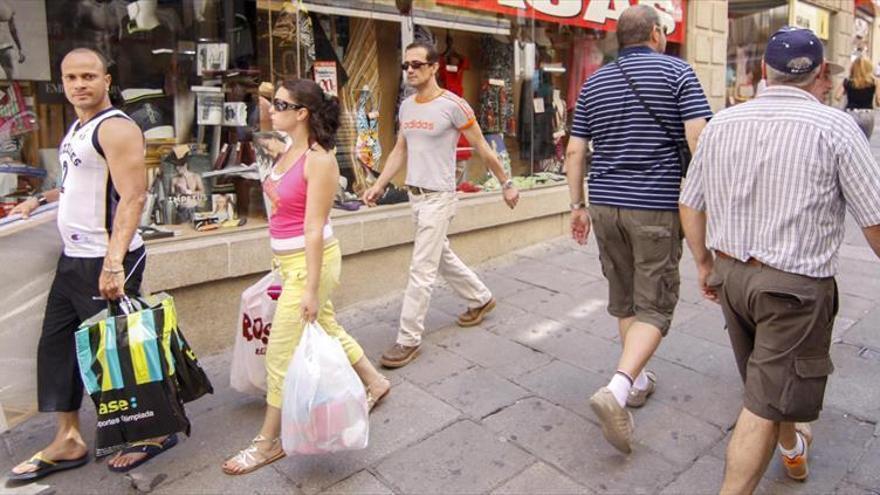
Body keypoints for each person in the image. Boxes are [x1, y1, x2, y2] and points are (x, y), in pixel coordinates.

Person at [679, 27, 880, 493]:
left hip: (732, 277)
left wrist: (704, 263)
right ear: (821, 77)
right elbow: (874, 221)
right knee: (763, 403)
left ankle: (792, 452)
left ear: (762, 73)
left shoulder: (723, 123)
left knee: (768, 381)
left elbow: (690, 202)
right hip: (793, 287)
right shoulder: (836, 128)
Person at [7, 47, 175, 481]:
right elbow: (81, 185)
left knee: (119, 350)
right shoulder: (78, 128)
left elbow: (133, 195)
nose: (79, 85)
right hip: (74, 258)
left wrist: (115, 263)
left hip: (107, 257)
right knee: (57, 346)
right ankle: (68, 438)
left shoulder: (116, 128)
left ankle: (153, 433)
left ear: (106, 79)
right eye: (70, 78)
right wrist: (40, 199)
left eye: (88, 76)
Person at [221, 79, 390, 475]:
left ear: (302, 114)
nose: (272, 109)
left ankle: (268, 443)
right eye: (273, 103)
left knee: (279, 355)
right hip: (289, 263)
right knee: (328, 326)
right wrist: (268, 91)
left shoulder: (319, 160)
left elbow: (314, 228)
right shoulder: (283, 148)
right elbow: (265, 103)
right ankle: (375, 382)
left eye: (282, 104)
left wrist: (310, 289)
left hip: (310, 264)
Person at [563, 4, 711, 454]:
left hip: (606, 206)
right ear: (653, 34)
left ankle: (640, 378)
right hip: (655, 207)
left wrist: (577, 206)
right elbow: (698, 139)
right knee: (656, 304)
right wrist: (706, 202)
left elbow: (574, 152)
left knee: (625, 295)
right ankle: (619, 388)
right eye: (663, 30)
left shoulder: (594, 82)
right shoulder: (678, 74)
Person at [361, 41, 520, 369]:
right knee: (440, 256)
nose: (410, 71)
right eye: (406, 65)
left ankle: (408, 338)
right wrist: (378, 185)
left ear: (434, 67)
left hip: (439, 197)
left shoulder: (454, 105)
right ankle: (481, 299)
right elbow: (399, 150)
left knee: (421, 268)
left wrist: (506, 183)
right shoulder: (407, 106)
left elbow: (483, 148)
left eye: (417, 65)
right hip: (414, 195)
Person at [834, 55, 879, 138]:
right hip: (867, 114)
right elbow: (878, 101)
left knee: (851, 141)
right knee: (865, 141)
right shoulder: (875, 81)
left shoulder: (847, 81)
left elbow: (837, 96)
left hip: (850, 114)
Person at [0, 0, 25, 81]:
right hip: (5, 46)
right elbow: (13, 30)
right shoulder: (6, 7)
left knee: (10, 78)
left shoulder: (6, 7)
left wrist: (20, 49)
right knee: (10, 78)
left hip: (5, 47)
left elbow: (13, 30)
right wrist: (20, 49)